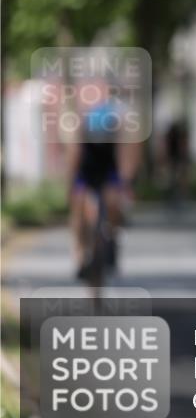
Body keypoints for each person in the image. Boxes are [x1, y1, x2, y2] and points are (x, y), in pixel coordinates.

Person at [68, 99, 125, 281]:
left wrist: (125, 184)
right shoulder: (82, 137)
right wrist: (71, 189)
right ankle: (80, 257)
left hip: (106, 172)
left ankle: (112, 238)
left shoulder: (113, 137)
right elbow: (75, 161)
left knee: (113, 203)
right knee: (79, 212)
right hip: (86, 173)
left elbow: (122, 160)